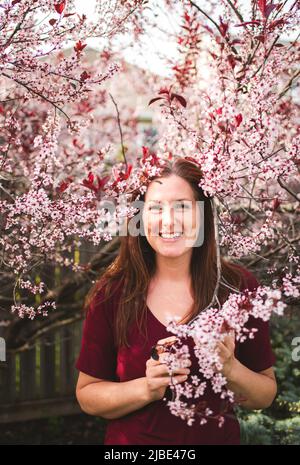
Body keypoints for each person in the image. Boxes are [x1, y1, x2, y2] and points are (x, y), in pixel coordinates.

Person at [75, 157, 277, 445]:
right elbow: (87, 395)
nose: (169, 221)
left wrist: (230, 368)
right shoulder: (112, 293)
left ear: (202, 214)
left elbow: (264, 396)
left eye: (182, 206)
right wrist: (147, 388)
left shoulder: (237, 287)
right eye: (156, 208)